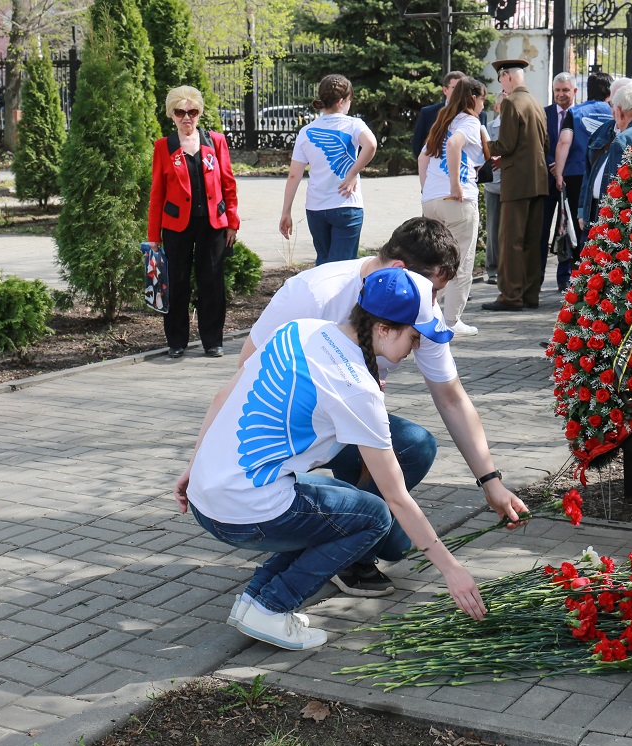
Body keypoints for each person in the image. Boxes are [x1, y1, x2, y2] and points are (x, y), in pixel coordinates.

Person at [174, 268, 487, 650]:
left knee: (336, 501)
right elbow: (397, 497)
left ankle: (254, 601)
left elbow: (221, 398)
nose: (416, 349)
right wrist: (452, 570)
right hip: (244, 511)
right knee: (373, 517)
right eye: (415, 337)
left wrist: (195, 466)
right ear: (385, 329)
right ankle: (273, 606)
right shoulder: (355, 386)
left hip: (207, 496)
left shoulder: (301, 329)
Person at [239, 217, 530, 594]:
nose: (435, 304)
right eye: (434, 292)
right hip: (285, 433)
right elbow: (246, 370)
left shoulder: (419, 307)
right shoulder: (314, 294)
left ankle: (343, 545)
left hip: (342, 427)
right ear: (399, 271)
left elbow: (452, 397)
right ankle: (313, 543)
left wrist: (491, 482)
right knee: (380, 520)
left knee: (400, 518)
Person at [148, 85, 239, 359]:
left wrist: (232, 222)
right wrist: (154, 235)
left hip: (212, 224)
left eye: (192, 112)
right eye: (180, 112)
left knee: (211, 282)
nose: (187, 118)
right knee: (176, 282)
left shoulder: (215, 141)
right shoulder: (164, 147)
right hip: (176, 226)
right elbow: (156, 194)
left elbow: (228, 184)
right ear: (171, 115)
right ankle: (176, 341)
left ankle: (213, 341)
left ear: (199, 113)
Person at [418, 77, 490, 337]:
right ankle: (451, 321)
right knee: (461, 261)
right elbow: (454, 145)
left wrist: (428, 189)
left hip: (433, 200)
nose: (483, 105)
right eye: (482, 100)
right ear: (473, 99)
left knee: (434, 260)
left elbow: (423, 157)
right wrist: (455, 185)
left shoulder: (442, 121)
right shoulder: (470, 122)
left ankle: (424, 314)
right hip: (457, 200)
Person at [280, 74, 377, 265]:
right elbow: (371, 145)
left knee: (323, 264)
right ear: (342, 101)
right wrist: (351, 174)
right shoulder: (354, 124)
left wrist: (286, 212)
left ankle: (321, 296)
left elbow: (294, 175)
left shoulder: (306, 131)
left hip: (316, 208)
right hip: (346, 205)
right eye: (350, 100)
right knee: (343, 267)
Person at [482, 59, 549, 313]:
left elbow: (506, 144)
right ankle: (530, 294)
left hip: (516, 181)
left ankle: (511, 296)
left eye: (501, 79)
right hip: (538, 180)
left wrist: (486, 147)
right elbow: (544, 143)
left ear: (507, 76)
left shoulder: (511, 102)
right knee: (532, 241)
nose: (501, 84)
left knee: (510, 241)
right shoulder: (536, 103)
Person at [551, 72, 615, 290]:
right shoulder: (614, 111)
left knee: (576, 227)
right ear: (609, 91)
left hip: (576, 174)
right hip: (606, 176)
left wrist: (559, 173)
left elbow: (564, 141)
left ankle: (579, 275)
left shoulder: (575, 112)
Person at [579, 79, 632, 231]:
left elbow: (615, 191)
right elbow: (588, 174)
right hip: (600, 212)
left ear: (619, 111)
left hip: (615, 222)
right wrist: (582, 211)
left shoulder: (623, 140)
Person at [540, 73, 578, 291]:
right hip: (546, 179)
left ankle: (564, 277)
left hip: (570, 180)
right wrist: (554, 165)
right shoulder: (544, 114)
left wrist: (564, 167)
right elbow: (538, 144)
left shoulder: (579, 115)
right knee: (543, 229)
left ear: (574, 91)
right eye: (557, 90)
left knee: (566, 229)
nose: (561, 94)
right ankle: (538, 277)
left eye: (565, 90)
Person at [412, 71, 466, 159]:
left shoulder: (478, 115)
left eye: (462, 88)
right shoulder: (428, 113)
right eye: (454, 88)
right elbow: (418, 145)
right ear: (445, 90)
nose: (459, 92)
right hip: (436, 169)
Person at [482, 91, 507, 284]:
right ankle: (492, 270)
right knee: (493, 229)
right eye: (503, 104)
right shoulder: (488, 128)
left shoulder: (517, 127)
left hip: (513, 185)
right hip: (493, 186)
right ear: (497, 107)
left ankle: (509, 268)